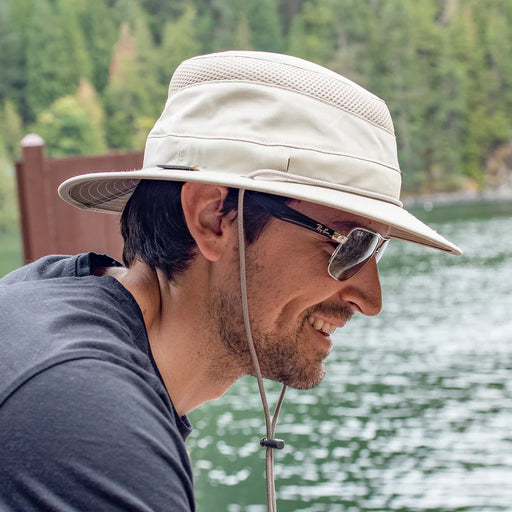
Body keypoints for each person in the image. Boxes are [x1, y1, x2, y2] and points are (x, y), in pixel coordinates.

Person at [0, 51, 461, 511]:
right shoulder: (87, 417)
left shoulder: (46, 306)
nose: (370, 299)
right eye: (349, 244)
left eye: (375, 248)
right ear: (213, 218)